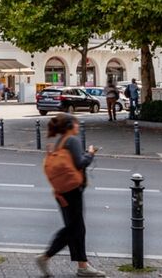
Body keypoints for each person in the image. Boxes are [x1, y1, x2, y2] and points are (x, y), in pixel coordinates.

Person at [36, 114, 105, 277]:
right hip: (72, 190)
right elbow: (80, 163)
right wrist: (90, 153)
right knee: (74, 229)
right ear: (70, 125)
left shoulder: (61, 141)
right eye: (76, 124)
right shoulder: (72, 140)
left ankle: (82, 266)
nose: (78, 126)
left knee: (76, 228)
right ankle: (46, 257)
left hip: (62, 192)